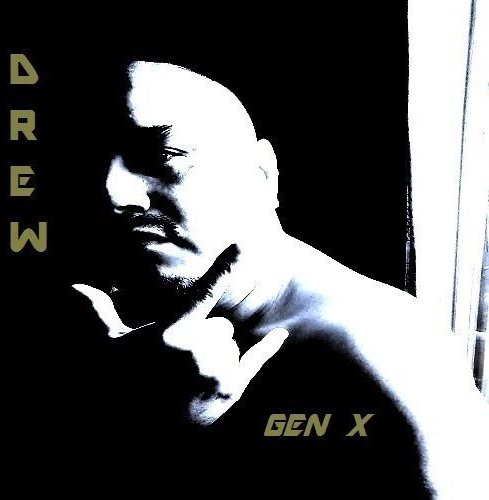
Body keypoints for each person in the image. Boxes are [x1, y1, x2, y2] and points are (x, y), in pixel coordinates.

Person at [70, 61, 488, 498]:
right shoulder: (118, 311)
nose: (113, 193)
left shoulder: (385, 346)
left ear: (262, 175)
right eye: (90, 164)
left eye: (163, 155)